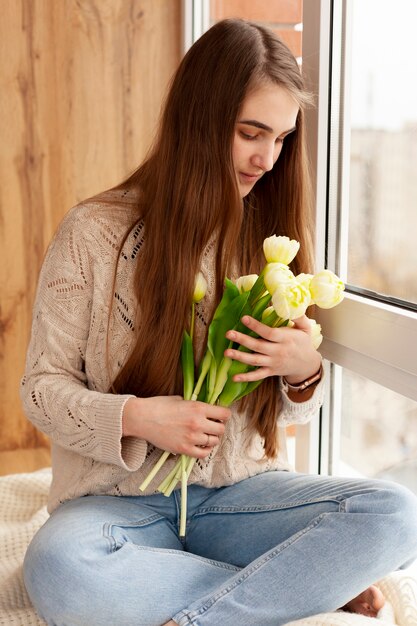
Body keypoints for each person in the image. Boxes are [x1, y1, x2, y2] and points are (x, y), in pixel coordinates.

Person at [21, 18, 417, 626]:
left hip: (241, 499)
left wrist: (303, 372)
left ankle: (206, 617)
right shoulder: (92, 233)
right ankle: (293, 589)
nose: (268, 158)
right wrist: (139, 416)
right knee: (60, 568)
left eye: (282, 138)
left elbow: (283, 414)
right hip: (117, 507)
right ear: (198, 122)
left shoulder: (268, 234)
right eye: (251, 133)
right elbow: (41, 391)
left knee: (395, 514)